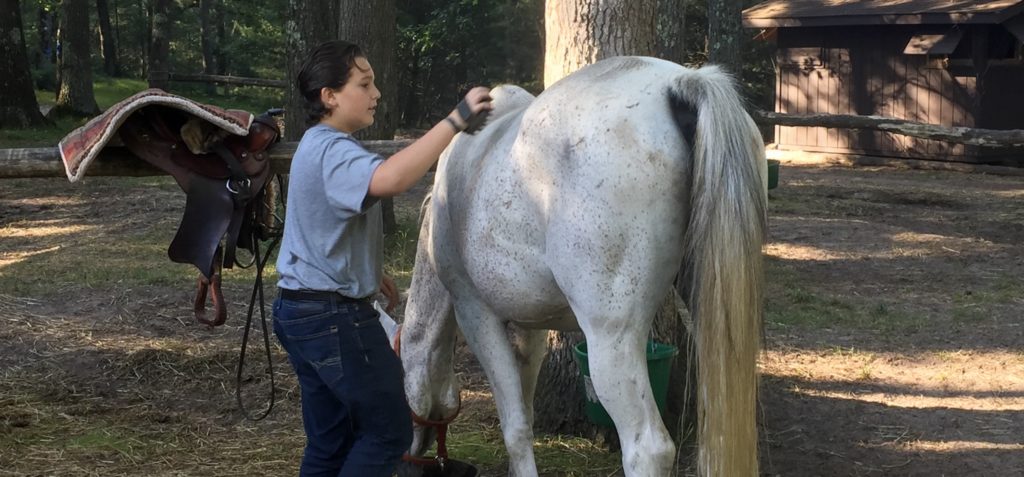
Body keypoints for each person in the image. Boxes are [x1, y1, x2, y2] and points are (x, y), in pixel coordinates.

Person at [273, 40, 492, 477]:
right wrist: (456, 120)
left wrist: (368, 274)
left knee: (330, 441)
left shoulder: (316, 147)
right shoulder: (333, 151)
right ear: (329, 96)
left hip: (300, 309)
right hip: (332, 318)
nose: (376, 94)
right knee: (389, 433)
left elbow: (322, 229)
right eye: (364, 84)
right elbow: (392, 178)